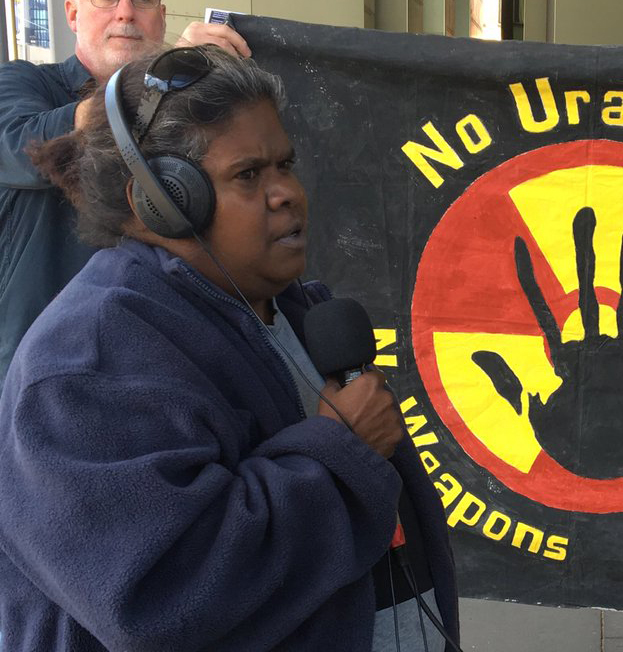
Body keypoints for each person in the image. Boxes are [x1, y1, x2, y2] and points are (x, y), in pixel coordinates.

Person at [0, 46, 458, 651]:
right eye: (249, 175)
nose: (287, 193)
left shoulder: (286, 307)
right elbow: (162, 596)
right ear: (164, 200)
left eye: (285, 165)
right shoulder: (87, 363)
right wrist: (339, 453)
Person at [0, 0, 250, 383]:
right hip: (38, 372)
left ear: (162, 17)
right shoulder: (23, 82)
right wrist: (159, 76)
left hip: (162, 366)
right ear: (72, 14)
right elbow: (23, 149)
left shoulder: (185, 103)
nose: (126, 12)